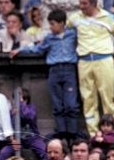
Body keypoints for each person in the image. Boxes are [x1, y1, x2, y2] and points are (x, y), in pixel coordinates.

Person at [11, 9, 81, 142]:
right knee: (58, 105)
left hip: (69, 70)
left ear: (62, 24)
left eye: (53, 24)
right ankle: (62, 134)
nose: (51, 27)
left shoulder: (72, 35)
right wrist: (20, 50)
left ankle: (72, 134)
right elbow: (37, 48)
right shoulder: (49, 38)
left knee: (71, 104)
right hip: (54, 70)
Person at [68, 0, 114, 135]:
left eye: (85, 3)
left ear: (94, 3)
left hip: (104, 59)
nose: (81, 6)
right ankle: (94, 134)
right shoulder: (75, 18)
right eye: (80, 3)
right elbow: (65, 30)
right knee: (88, 99)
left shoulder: (109, 18)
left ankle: (111, 133)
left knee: (108, 97)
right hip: (84, 61)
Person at [0, 87, 46, 160]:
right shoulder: (11, 111)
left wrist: (21, 105)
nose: (21, 102)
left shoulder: (31, 108)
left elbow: (29, 116)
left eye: (24, 100)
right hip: (17, 140)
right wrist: (13, 115)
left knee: (44, 150)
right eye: (18, 100)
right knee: (4, 153)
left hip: (32, 138)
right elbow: (8, 127)